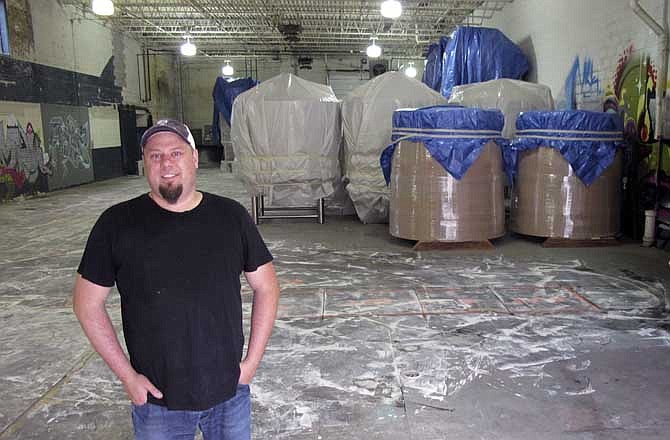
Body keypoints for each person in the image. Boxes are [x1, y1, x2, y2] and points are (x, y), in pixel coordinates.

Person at [72, 119, 279, 439]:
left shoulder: (231, 217)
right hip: (157, 401)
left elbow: (267, 287)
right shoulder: (116, 224)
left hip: (229, 394)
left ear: (194, 158)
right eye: (155, 156)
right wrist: (127, 376)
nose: (166, 163)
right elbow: (87, 304)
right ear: (145, 164)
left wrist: (250, 363)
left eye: (176, 153)